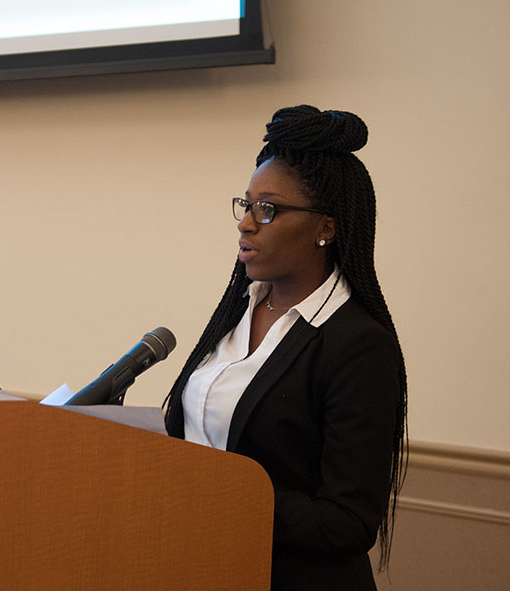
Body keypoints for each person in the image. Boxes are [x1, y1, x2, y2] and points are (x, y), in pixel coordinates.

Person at [162, 105, 407, 591]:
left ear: (326, 229)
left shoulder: (358, 346)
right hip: (201, 566)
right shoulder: (237, 313)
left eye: (268, 209)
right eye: (246, 204)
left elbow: (347, 521)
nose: (246, 224)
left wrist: (220, 492)